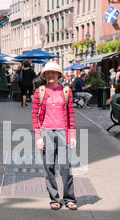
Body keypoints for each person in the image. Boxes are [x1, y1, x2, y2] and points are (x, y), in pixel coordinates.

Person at [32, 61, 77, 211]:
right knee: (49, 166)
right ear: (44, 75)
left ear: (59, 74)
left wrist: (72, 134)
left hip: (63, 132)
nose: (50, 75)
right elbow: (34, 116)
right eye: (48, 73)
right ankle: (54, 198)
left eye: (53, 73)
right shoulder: (40, 91)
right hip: (46, 132)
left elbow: (71, 114)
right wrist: (38, 136)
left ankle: (69, 198)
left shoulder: (66, 91)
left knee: (65, 167)